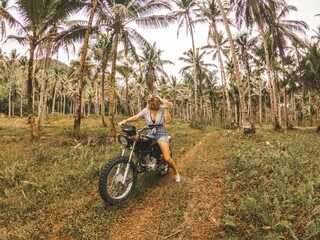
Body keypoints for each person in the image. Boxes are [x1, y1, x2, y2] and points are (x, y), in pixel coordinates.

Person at [118, 94, 181, 182]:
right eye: (150, 104)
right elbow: (136, 116)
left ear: (157, 103)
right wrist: (125, 120)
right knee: (142, 147)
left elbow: (167, 120)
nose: (152, 106)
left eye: (154, 104)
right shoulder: (146, 111)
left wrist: (166, 108)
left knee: (167, 158)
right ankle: (146, 164)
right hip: (150, 133)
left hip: (161, 134)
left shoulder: (162, 109)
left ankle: (176, 172)